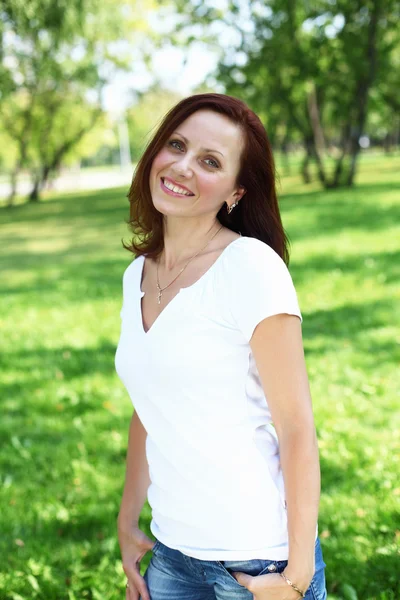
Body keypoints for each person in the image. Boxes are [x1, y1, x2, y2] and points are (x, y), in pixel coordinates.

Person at [115, 93, 327, 600]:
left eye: (210, 161)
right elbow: (150, 405)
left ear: (235, 190)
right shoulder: (136, 275)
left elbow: (296, 427)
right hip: (171, 556)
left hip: (257, 563)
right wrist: (127, 522)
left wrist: (294, 578)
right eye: (176, 145)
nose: (183, 166)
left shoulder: (249, 267)